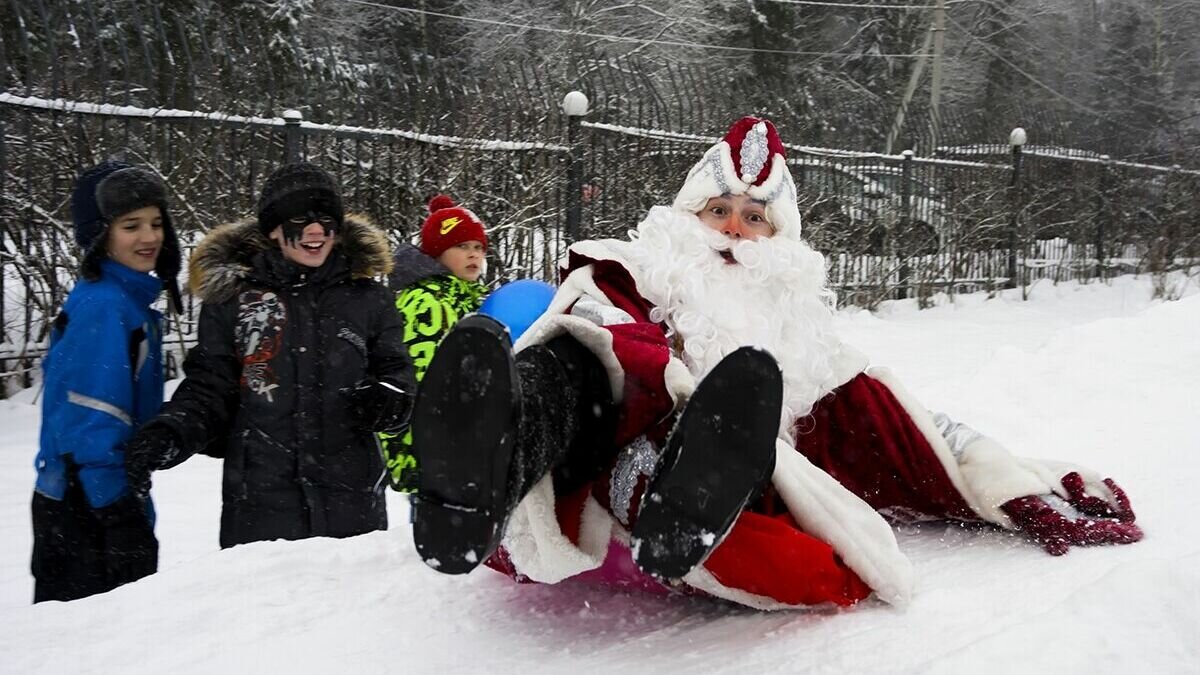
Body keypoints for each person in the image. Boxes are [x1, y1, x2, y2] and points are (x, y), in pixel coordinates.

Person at [407, 117, 1143, 610]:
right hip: (589, 438)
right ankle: (488, 459)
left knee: (720, 446)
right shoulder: (637, 270)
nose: (733, 230)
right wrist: (601, 346)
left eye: (755, 218)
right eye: (719, 210)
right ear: (688, 214)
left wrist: (996, 474)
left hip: (704, 472)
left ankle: (677, 497)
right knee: (583, 353)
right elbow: (591, 320)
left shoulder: (803, 339)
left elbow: (911, 424)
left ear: (781, 238)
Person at [124, 162, 414, 549]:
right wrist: (172, 430)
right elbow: (211, 386)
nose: (315, 230)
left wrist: (390, 398)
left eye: (326, 218)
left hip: (351, 499)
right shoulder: (234, 299)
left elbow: (396, 371)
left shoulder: (369, 298)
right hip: (260, 505)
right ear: (274, 229)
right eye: (299, 218)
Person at [31, 161, 183, 602]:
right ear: (101, 234)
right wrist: (115, 510)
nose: (149, 236)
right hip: (85, 504)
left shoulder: (127, 300)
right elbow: (90, 418)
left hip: (99, 494)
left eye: (157, 223)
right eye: (131, 225)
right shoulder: (105, 307)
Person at [382, 194, 489, 492]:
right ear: (437, 252)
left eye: (479, 248)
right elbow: (417, 383)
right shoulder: (425, 302)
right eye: (462, 246)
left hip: (462, 447)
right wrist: (413, 457)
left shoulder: (468, 299)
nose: (474, 255)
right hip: (431, 456)